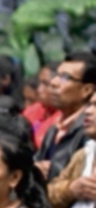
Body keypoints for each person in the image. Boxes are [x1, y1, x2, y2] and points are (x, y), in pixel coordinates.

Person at [48, 95, 96, 208]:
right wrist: (70, 189)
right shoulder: (84, 154)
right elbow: (48, 198)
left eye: (95, 106)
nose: (88, 111)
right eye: (89, 104)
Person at [38, 51, 96, 181]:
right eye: (56, 75)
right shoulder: (53, 129)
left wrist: (51, 171)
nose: (53, 82)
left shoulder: (89, 131)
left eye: (65, 77)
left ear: (87, 90)